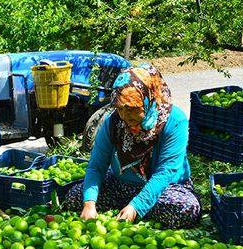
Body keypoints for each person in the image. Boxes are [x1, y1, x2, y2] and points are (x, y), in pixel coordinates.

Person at [66, 65, 201, 228]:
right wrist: (89, 204)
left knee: (186, 209)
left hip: (165, 189)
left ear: (148, 98)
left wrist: (136, 206)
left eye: (131, 109)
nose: (124, 115)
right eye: (120, 108)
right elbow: (96, 166)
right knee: (74, 196)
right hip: (121, 185)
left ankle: (132, 208)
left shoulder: (174, 121)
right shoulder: (113, 122)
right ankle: (128, 207)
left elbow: (166, 172)